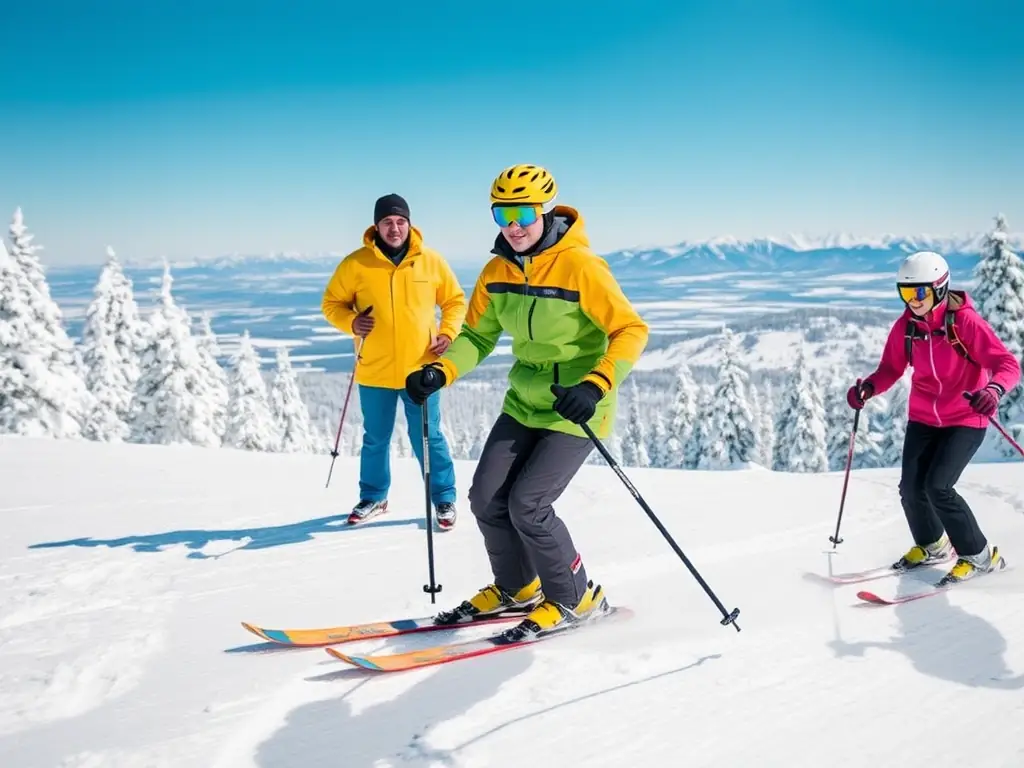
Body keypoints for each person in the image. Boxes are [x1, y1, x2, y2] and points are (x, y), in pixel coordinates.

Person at [404, 163, 649, 639]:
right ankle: (518, 588)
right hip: (524, 403)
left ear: (545, 212)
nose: (512, 225)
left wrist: (595, 384)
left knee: (529, 504)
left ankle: (576, 595)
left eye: (522, 212)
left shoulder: (582, 266)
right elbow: (476, 334)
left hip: (577, 408)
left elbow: (631, 330)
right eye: (502, 214)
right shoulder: (496, 271)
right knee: (485, 498)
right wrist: (442, 369)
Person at [847, 250, 1020, 584]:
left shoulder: (964, 323)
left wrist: (993, 391)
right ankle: (934, 546)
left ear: (940, 288)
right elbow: (890, 368)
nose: (913, 300)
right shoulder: (906, 328)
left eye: (920, 292)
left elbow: (1007, 364)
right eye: (906, 293)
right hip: (924, 418)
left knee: (938, 486)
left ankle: (981, 555)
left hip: (966, 417)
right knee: (911, 489)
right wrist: (868, 387)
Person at [322, 193, 467, 528]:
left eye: (400, 221)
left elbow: (455, 301)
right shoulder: (355, 264)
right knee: (376, 438)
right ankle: (374, 497)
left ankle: (444, 499)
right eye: (387, 222)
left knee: (429, 438)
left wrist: (448, 333)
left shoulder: (430, 261)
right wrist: (351, 323)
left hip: (422, 370)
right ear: (376, 226)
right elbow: (332, 304)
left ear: (410, 224)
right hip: (375, 369)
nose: (395, 228)